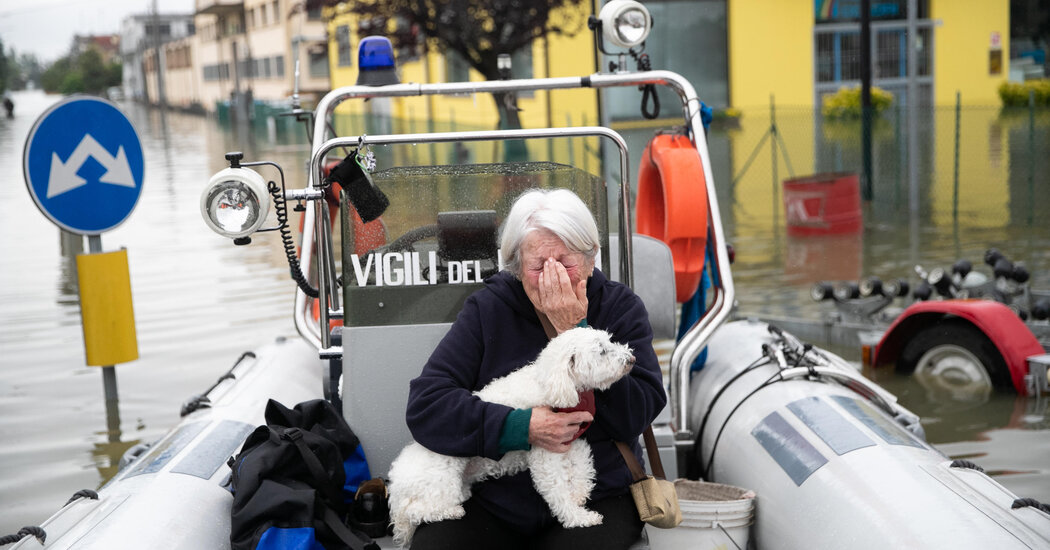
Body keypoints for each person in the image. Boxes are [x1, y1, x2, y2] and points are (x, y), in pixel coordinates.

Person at [405, 188, 666, 549]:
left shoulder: (620, 307)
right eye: (538, 265)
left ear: (591, 259)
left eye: (566, 262)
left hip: (595, 494)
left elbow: (635, 414)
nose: (553, 276)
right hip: (497, 498)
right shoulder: (488, 309)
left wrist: (575, 332)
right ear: (515, 268)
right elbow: (427, 406)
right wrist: (519, 426)